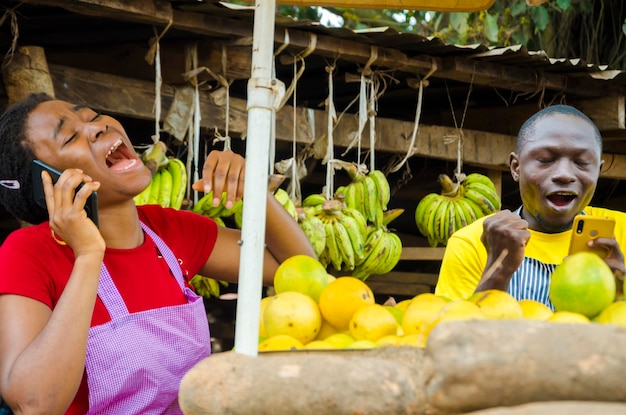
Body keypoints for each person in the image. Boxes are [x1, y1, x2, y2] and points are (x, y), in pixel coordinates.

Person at [0, 92, 315, 415]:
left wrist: (252, 189)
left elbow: (302, 273)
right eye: (69, 136)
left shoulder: (168, 228)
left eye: (93, 117)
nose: (96, 128)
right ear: (47, 185)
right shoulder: (29, 252)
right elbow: (33, 404)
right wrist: (89, 255)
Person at [436, 104, 626, 307]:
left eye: (581, 162)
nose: (564, 174)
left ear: (598, 170)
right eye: (545, 160)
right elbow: (456, 333)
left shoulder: (621, 233)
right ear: (516, 168)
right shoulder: (473, 243)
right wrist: (498, 269)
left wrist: (621, 293)